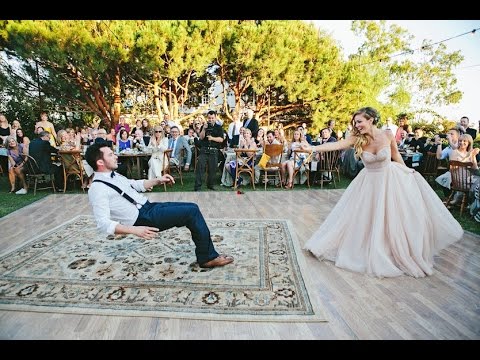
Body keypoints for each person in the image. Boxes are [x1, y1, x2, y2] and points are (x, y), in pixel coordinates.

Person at [300, 107, 463, 278]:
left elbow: (396, 156)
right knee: (366, 218)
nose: (357, 125)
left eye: (359, 121)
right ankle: (366, 248)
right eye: (355, 122)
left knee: (391, 218)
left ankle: (390, 251)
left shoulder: (387, 135)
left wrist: (408, 171)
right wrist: (312, 148)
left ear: (370, 120)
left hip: (389, 180)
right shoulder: (356, 138)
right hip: (369, 182)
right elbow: (336, 144)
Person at [85, 143, 234, 268]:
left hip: (149, 207)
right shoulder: (97, 189)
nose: (116, 156)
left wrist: (158, 180)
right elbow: (103, 223)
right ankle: (207, 258)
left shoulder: (114, 175)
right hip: (143, 219)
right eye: (110, 155)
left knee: (192, 208)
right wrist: (135, 230)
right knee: (191, 212)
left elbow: (134, 184)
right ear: (100, 162)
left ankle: (206, 255)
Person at [195, 110, 224, 191]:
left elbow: (221, 139)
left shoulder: (219, 127)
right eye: (209, 118)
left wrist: (212, 138)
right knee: (200, 168)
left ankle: (210, 185)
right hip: (204, 150)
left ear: (215, 118)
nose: (210, 119)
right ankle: (197, 186)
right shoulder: (204, 126)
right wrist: (204, 129)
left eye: (212, 118)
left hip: (214, 150)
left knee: (213, 169)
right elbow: (201, 137)